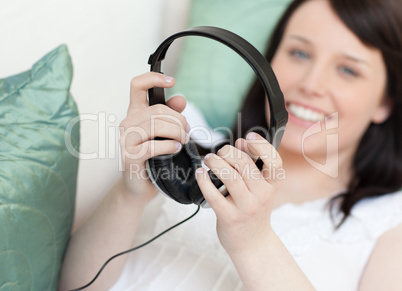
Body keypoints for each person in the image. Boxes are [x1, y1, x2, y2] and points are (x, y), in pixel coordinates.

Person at [59, 0, 402, 290]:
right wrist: (129, 193)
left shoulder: (389, 221)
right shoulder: (181, 148)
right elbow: (72, 284)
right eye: (298, 52)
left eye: (348, 70)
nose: (311, 84)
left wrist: (254, 243)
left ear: (386, 101)